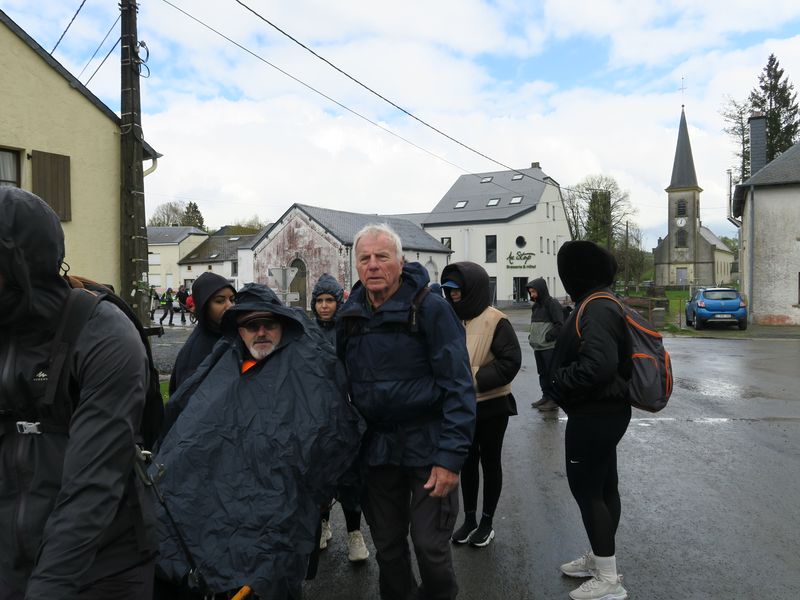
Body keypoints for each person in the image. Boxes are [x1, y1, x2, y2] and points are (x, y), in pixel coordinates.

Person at [154, 283, 362, 599]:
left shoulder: (308, 369)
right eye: (252, 325)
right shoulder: (220, 366)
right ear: (240, 330)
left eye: (269, 324)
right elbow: (186, 430)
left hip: (279, 512)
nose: (261, 332)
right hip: (223, 512)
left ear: (284, 326)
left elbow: (333, 431)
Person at [0, 188, 156, 599]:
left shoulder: (104, 334)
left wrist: (46, 589)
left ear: (20, 260)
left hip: (102, 566)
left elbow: (91, 486)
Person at [336, 224, 475, 600]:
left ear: (400, 261)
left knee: (430, 547)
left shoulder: (431, 309)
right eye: (364, 258)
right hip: (378, 451)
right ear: (356, 266)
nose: (373, 265)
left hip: (428, 446)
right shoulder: (349, 317)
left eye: (382, 256)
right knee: (389, 548)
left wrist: (450, 458)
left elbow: (459, 387)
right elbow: (333, 381)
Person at [549, 241, 632, 600]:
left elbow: (598, 366)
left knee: (588, 492)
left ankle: (609, 581)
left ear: (577, 274)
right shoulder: (601, 301)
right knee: (603, 488)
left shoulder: (596, 307)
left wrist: (557, 381)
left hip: (595, 414)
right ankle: (601, 561)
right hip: (605, 412)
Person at [440, 263, 521, 549]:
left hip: (492, 406)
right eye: (447, 290)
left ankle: (487, 522)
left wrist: (470, 379)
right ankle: (471, 519)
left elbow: (510, 362)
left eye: (456, 289)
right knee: (467, 463)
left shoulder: (495, 319)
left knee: (490, 462)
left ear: (472, 287)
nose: (451, 295)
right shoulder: (449, 317)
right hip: (461, 407)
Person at [310, 274, 369, 563]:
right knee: (321, 476)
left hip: (345, 413)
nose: (324, 306)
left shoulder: (348, 331)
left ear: (338, 302)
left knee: (349, 477)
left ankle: (354, 534)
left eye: (329, 300)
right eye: (319, 301)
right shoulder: (306, 334)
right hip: (317, 416)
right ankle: (322, 523)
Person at [168, 272, 235, 396]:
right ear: (204, 306)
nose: (229, 306)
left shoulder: (229, 335)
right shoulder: (196, 352)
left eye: (232, 299)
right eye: (220, 301)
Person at [526, 277, 565, 412]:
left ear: (541, 290)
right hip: (538, 347)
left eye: (534, 292)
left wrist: (549, 337)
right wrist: (533, 336)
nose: (532, 295)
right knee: (542, 373)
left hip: (549, 347)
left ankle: (554, 400)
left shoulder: (552, 304)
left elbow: (560, 324)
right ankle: (546, 396)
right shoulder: (535, 306)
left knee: (551, 373)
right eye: (530, 292)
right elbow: (535, 325)